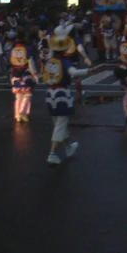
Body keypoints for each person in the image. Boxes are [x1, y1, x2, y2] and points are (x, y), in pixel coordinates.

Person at [41, 35, 88, 166]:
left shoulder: (48, 61)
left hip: (50, 94)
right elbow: (74, 72)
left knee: (59, 123)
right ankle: (52, 153)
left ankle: (68, 147)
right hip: (62, 93)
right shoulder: (64, 61)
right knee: (61, 124)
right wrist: (89, 71)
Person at [9, 32, 38, 123]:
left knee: (18, 96)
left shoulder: (13, 49)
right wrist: (35, 75)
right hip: (25, 73)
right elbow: (31, 63)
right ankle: (23, 111)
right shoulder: (28, 49)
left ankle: (17, 115)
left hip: (15, 73)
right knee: (27, 94)